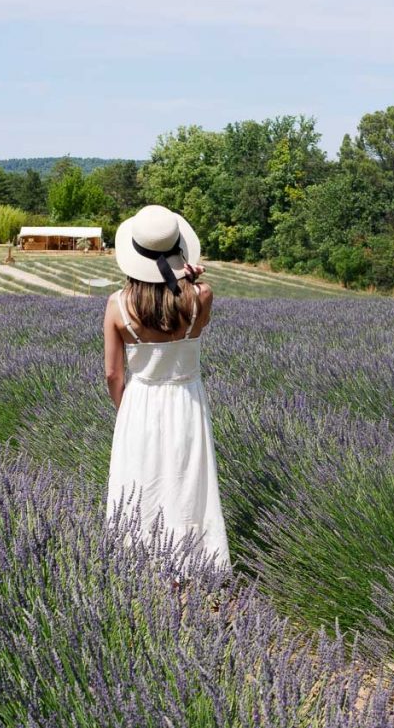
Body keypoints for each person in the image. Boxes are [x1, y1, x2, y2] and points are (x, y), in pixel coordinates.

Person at [102, 204, 232, 587]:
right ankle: (195, 567)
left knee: (140, 484)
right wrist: (190, 280)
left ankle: (141, 570)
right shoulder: (201, 297)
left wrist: (125, 409)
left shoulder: (117, 305)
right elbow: (195, 309)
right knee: (188, 483)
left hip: (140, 402)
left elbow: (112, 373)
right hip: (186, 402)